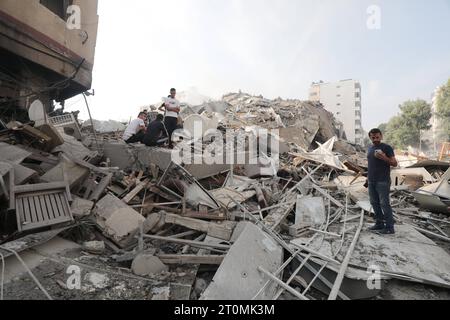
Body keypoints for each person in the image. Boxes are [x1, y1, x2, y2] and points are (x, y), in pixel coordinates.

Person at [367, 128, 398, 235]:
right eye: (373, 137)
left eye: (377, 137)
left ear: (381, 136)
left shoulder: (386, 148)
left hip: (383, 181)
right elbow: (371, 165)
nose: (375, 139)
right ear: (370, 137)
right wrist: (368, 179)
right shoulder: (370, 148)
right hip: (371, 181)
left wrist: (384, 157)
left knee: (385, 204)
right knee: (374, 203)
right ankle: (379, 223)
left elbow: (394, 163)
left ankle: (390, 227)